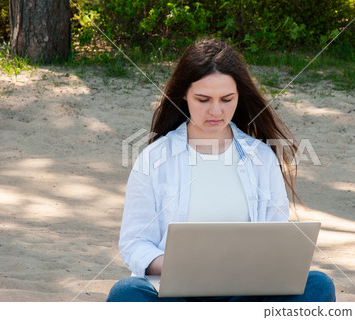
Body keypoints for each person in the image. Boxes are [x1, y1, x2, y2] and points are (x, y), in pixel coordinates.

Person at [107, 38, 335, 302]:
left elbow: (276, 238)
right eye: (203, 99)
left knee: (318, 284)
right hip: (177, 295)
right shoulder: (155, 158)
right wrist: (178, 268)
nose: (216, 111)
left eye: (227, 99)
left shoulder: (260, 157)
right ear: (183, 94)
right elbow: (134, 243)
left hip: (245, 293)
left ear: (239, 94)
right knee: (125, 293)